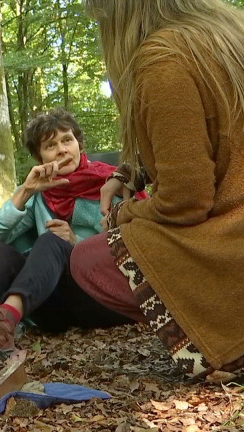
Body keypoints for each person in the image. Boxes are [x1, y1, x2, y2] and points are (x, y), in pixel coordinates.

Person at [71, 0, 244, 381]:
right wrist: (133, 172)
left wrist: (121, 215)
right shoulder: (228, 31)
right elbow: (216, 136)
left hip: (234, 245)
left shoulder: (162, 58)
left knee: (90, 259)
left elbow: (186, 201)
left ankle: (223, 344)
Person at [0, 108, 141, 364]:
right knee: (1, 251)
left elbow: (134, 243)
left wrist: (76, 243)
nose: (62, 150)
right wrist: (26, 191)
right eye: (50, 145)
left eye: (67, 140)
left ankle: (1, 326)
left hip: (101, 296)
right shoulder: (40, 194)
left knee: (51, 240)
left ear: (79, 143)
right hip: (56, 306)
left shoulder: (110, 183)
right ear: (40, 157)